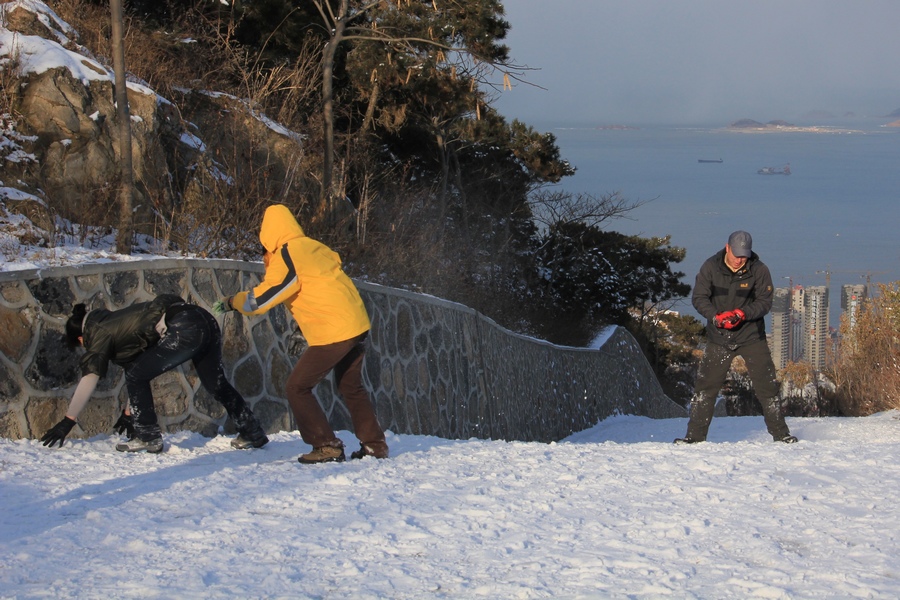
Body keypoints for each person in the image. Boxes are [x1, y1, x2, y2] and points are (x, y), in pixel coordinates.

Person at [214, 204, 388, 464]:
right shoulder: (312, 248)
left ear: (268, 236)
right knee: (351, 386)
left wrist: (232, 301)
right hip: (355, 323)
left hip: (335, 331)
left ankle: (326, 445)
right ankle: (375, 445)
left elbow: (262, 299)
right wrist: (301, 328)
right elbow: (320, 291)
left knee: (297, 387)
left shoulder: (288, 253)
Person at [41, 294, 269, 453]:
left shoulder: (99, 332)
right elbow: (139, 368)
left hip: (183, 326)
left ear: (80, 338)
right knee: (216, 384)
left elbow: (91, 376)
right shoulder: (118, 323)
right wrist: (130, 413)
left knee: (137, 376)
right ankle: (252, 431)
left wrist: (67, 421)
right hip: (203, 319)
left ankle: (148, 438)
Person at [675, 230, 798, 444]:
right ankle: (693, 438)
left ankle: (781, 435)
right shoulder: (710, 267)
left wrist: (743, 314)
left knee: (767, 387)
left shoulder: (759, 270)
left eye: (744, 255)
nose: (740, 259)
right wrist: (715, 317)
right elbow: (699, 297)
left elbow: (765, 302)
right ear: (727, 247)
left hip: (751, 337)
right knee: (706, 389)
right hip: (719, 337)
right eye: (737, 254)